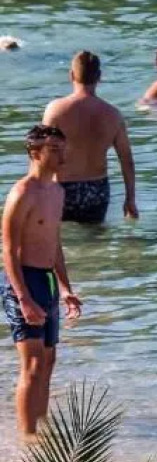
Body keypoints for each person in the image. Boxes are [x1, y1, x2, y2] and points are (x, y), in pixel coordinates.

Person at [3, 126, 83, 442]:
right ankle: (27, 438)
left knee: (49, 361)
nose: (62, 155)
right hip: (23, 280)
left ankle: (41, 430)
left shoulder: (57, 191)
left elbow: (54, 243)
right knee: (33, 363)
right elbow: (7, 248)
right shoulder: (22, 193)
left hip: (47, 281)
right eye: (54, 149)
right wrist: (22, 297)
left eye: (63, 148)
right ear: (35, 151)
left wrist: (65, 288)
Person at [41, 51, 138, 223]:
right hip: (97, 190)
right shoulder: (113, 115)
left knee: (60, 242)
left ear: (71, 75)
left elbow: (42, 155)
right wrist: (130, 199)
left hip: (64, 189)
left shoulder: (55, 110)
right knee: (96, 240)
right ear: (99, 77)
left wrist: (35, 194)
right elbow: (127, 160)